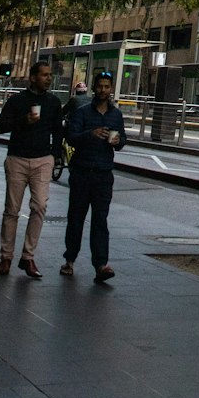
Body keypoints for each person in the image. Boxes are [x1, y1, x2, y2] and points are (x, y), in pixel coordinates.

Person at [0, 59, 63, 278]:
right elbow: (0, 127)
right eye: (44, 75)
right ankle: (6, 257)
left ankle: (28, 256)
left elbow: (58, 130)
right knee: (12, 209)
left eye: (50, 75)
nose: (48, 78)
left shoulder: (53, 102)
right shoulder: (18, 100)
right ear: (33, 77)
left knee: (40, 206)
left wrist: (54, 154)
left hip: (43, 159)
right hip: (18, 158)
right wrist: (24, 120)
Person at [60, 70, 126, 284]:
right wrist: (90, 134)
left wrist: (118, 142)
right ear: (93, 87)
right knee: (76, 218)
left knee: (100, 220)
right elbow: (71, 137)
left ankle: (101, 264)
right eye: (100, 86)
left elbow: (122, 139)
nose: (103, 90)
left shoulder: (116, 115)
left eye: (107, 87)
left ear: (110, 89)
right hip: (81, 171)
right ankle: (69, 260)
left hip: (103, 174)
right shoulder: (82, 112)